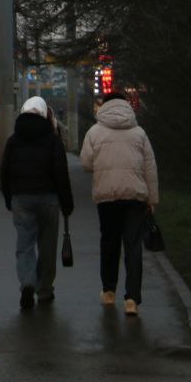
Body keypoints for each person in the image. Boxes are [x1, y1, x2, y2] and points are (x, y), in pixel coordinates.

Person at [80, 92, 158, 316]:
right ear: (127, 106)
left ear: (103, 106)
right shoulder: (139, 133)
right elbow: (150, 168)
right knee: (133, 246)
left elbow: (86, 163)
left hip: (107, 196)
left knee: (109, 242)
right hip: (135, 196)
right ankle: (132, 298)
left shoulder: (95, 132)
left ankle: (108, 291)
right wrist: (152, 199)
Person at [2, 96, 75, 309]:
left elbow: (4, 172)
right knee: (47, 246)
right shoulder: (53, 141)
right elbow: (61, 173)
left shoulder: (13, 141)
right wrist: (67, 203)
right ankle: (44, 290)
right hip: (48, 198)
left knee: (24, 244)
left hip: (21, 199)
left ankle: (27, 282)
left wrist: (9, 198)